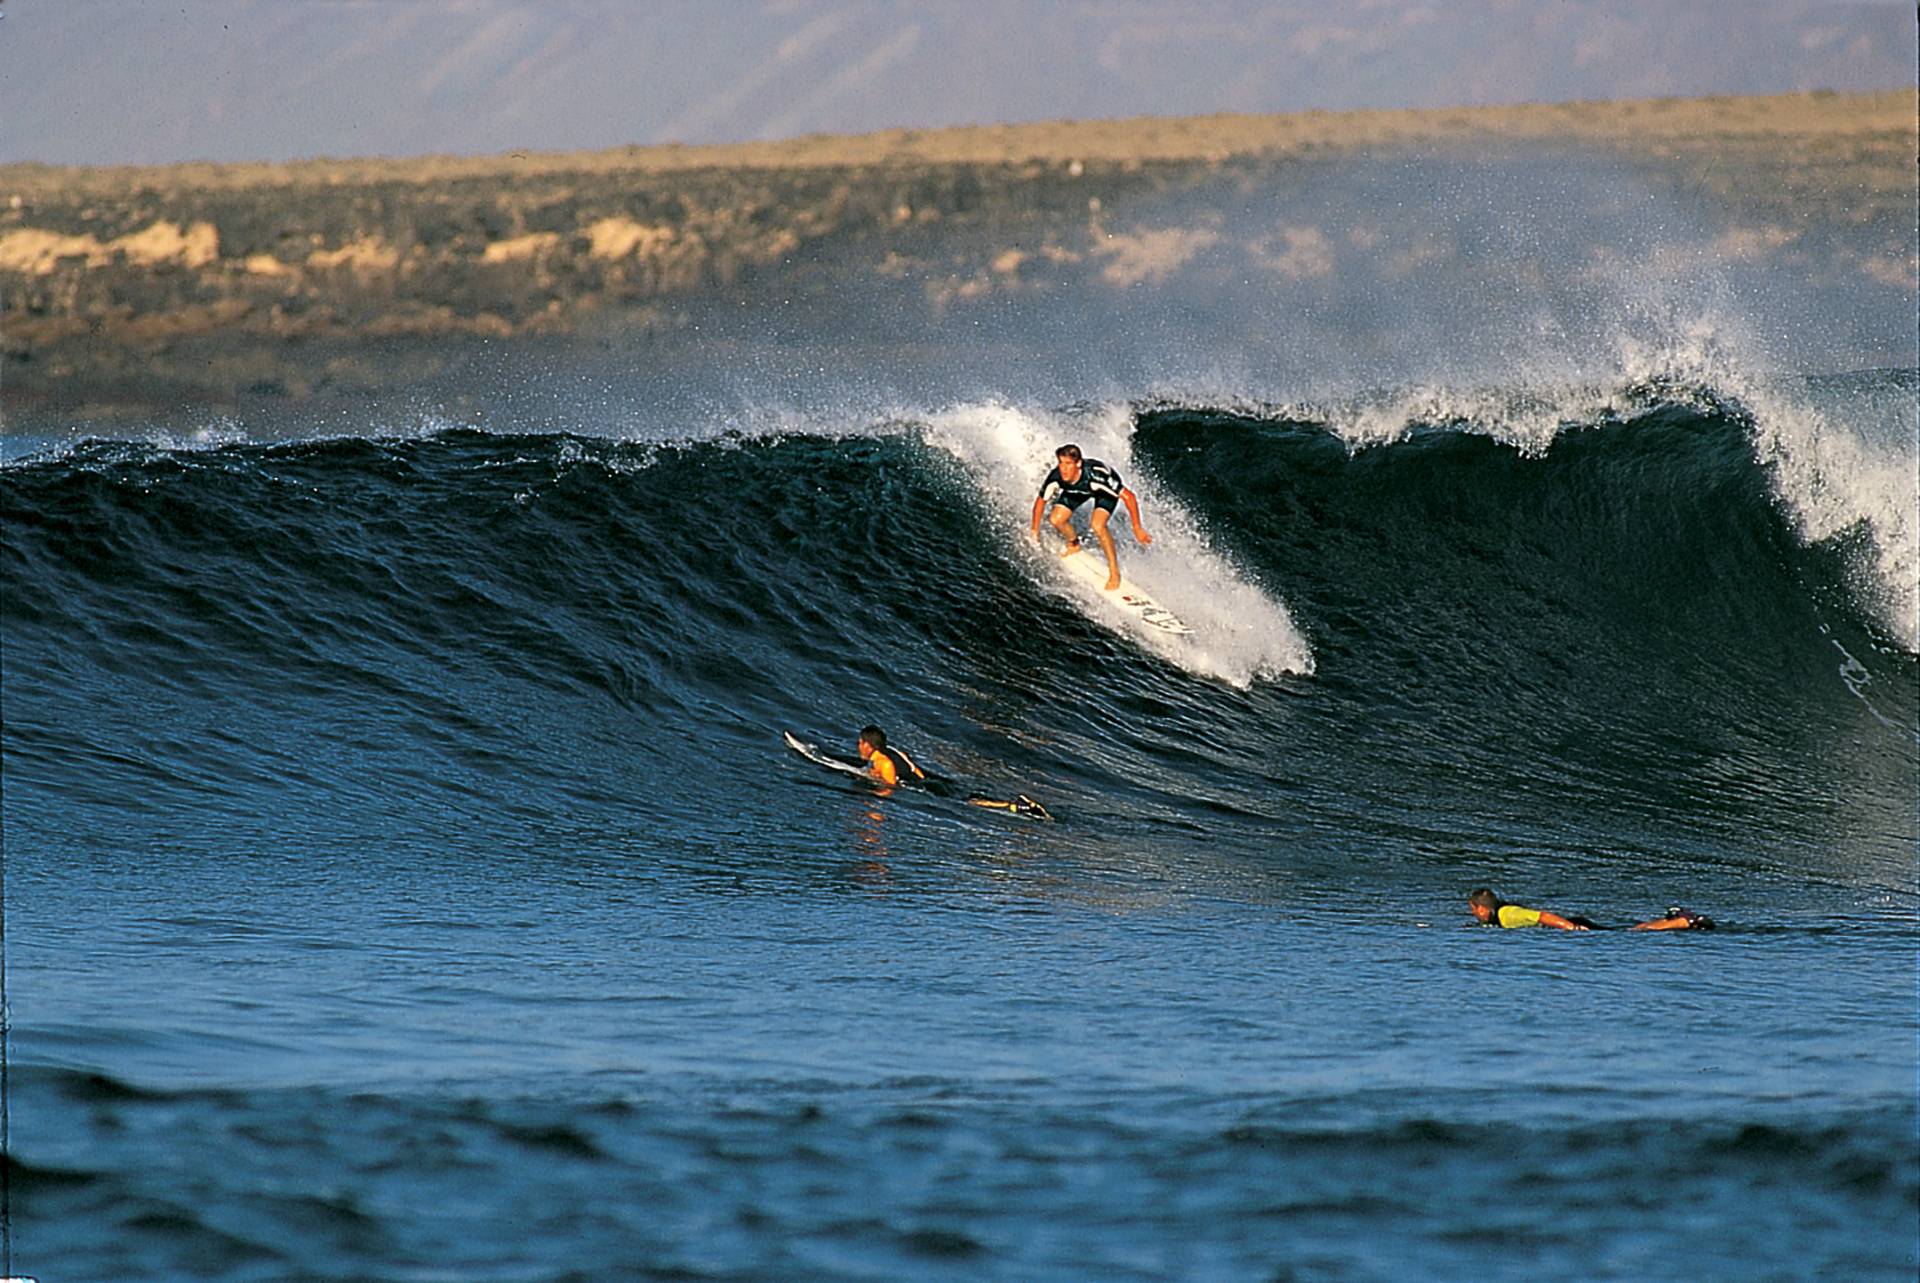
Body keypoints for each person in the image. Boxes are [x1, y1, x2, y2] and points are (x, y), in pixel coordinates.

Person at [856, 725, 1050, 820]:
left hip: (926, 788)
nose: (858, 746)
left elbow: (891, 788)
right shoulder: (894, 751)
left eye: (860, 743)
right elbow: (915, 769)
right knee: (967, 797)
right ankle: (1015, 805)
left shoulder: (884, 762)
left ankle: (1014, 806)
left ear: (868, 744)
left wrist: (873, 793)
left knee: (966, 802)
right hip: (928, 782)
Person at [1029, 443, 1152, 590]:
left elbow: (1129, 497)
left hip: (1103, 490)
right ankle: (1073, 544)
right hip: (1079, 490)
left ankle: (1114, 572)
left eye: (1068, 464)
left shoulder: (1097, 477)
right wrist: (1034, 532)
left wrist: (1137, 528)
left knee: (1097, 525)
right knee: (1056, 519)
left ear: (1078, 463)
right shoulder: (1056, 477)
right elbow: (1040, 502)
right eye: (1061, 463)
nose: (1063, 468)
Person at [1468, 888, 1713, 931]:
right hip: (1570, 925)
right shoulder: (1497, 918)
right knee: (1628, 930)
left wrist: (1571, 928)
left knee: (1628, 933)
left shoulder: (1507, 914)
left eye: (1472, 910)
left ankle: (1682, 922)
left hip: (1571, 924)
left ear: (1479, 907)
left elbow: (1542, 916)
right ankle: (1674, 919)